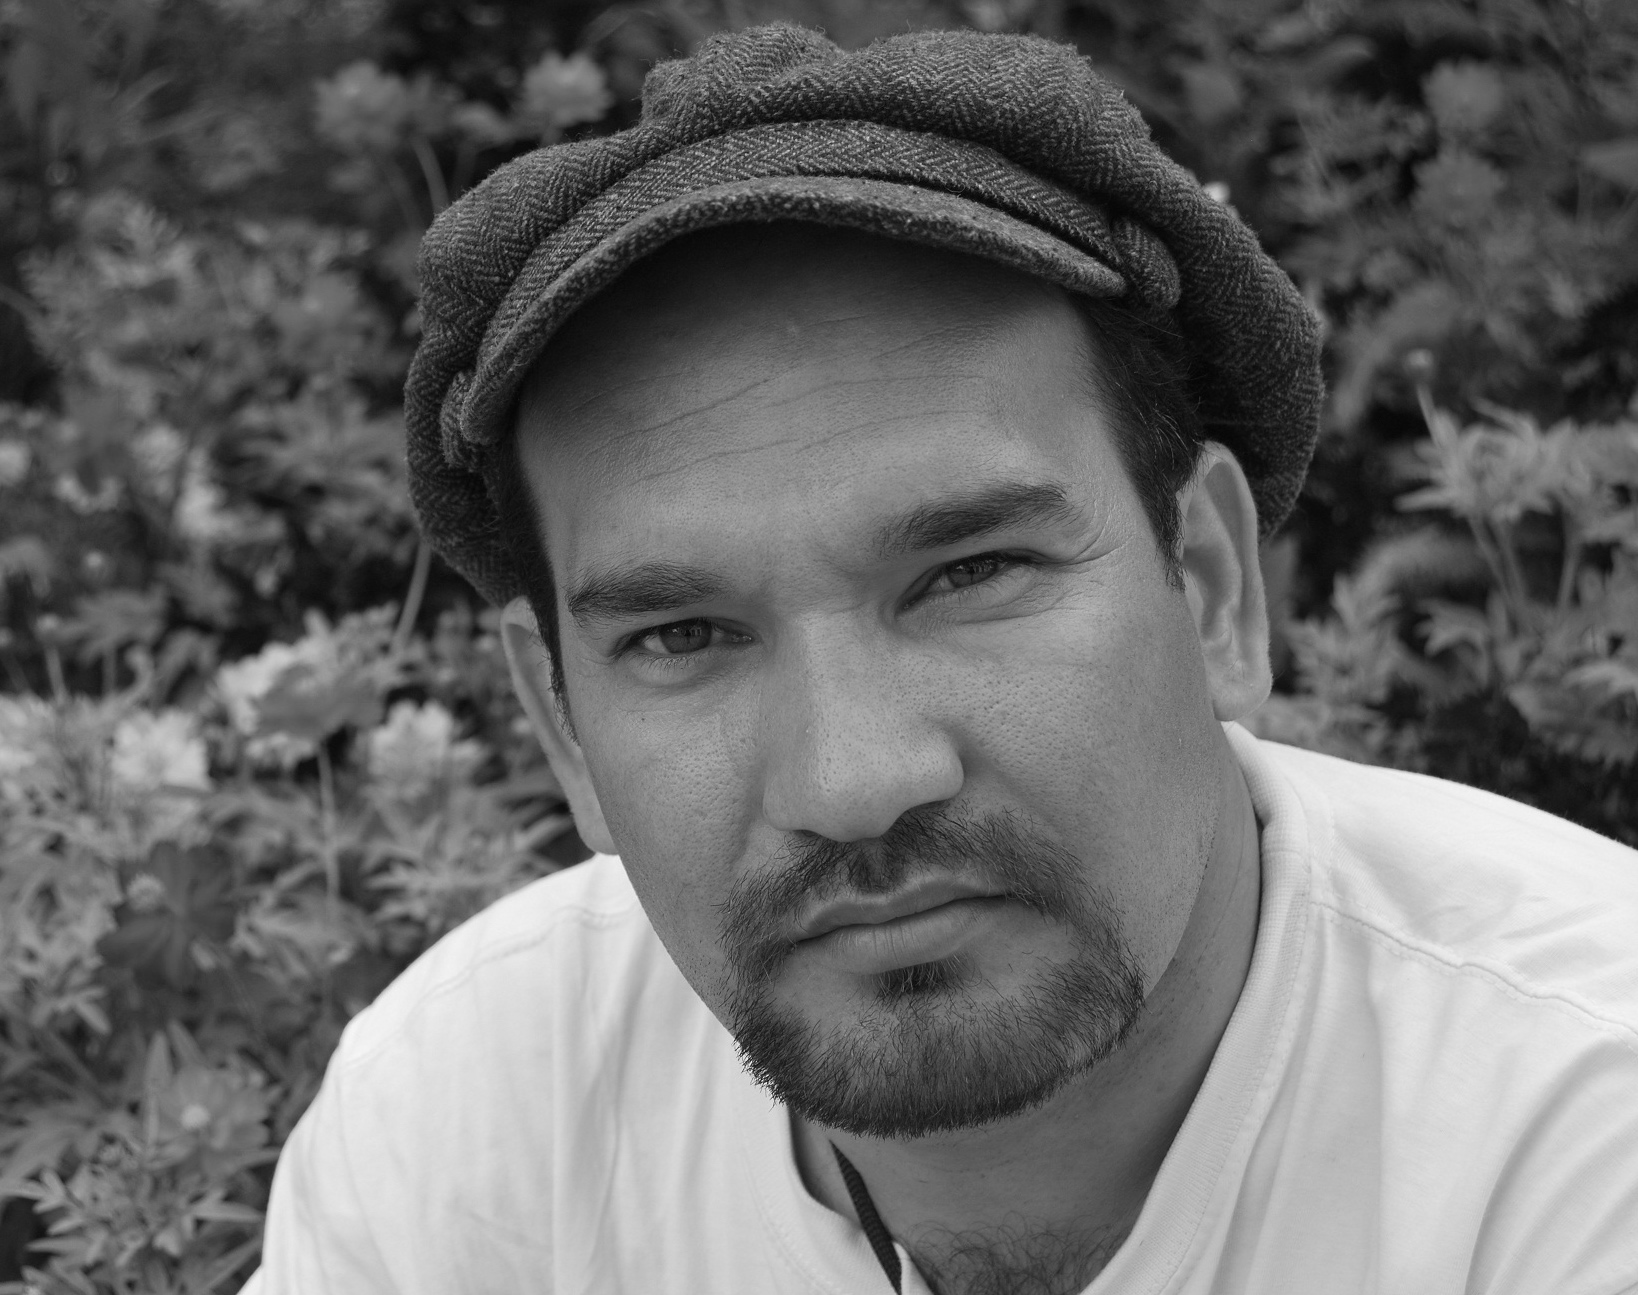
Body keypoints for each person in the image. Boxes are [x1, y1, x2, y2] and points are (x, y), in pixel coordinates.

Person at [244, 23, 1638, 1295]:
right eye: (680, 636)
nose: (853, 782)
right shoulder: (465, 1128)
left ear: (1211, 585)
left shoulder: (1578, 1119)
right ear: (563, 727)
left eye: (971, 575)